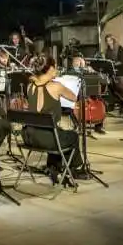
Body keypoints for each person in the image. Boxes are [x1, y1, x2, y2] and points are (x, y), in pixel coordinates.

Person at [20, 54, 79, 182]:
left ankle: (53, 167)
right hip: (47, 139)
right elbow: (74, 97)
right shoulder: (56, 86)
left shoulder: (30, 86)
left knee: (57, 132)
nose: (57, 69)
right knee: (72, 136)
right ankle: (72, 170)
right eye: (55, 66)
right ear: (50, 69)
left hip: (28, 137)